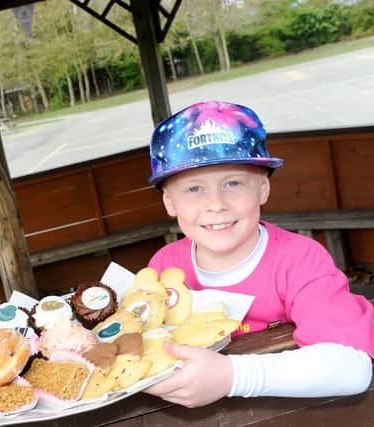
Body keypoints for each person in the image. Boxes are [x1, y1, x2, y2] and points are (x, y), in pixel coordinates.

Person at [143, 101, 374, 407]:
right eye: (194, 189)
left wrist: (231, 376)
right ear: (169, 203)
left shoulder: (299, 259)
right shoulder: (163, 269)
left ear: (263, 189)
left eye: (233, 183)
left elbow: (351, 368)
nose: (216, 204)